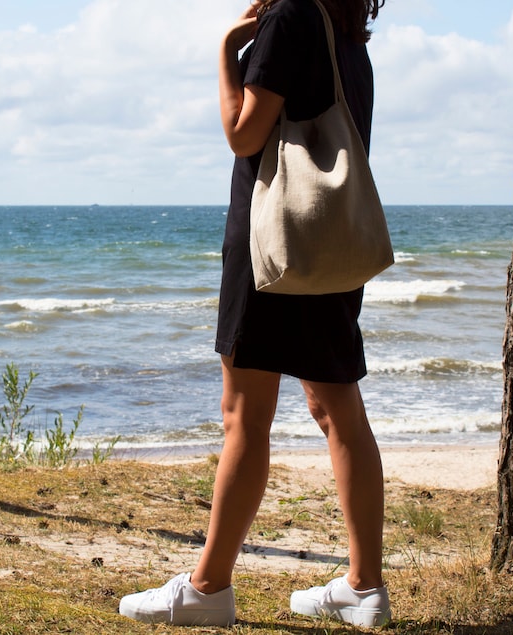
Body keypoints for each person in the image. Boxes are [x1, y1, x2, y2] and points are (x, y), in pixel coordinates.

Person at [119, 0, 389, 627]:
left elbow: (244, 132)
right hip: (329, 249)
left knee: (245, 415)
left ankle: (207, 588)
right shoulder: (349, 33)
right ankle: (363, 585)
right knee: (338, 411)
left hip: (271, 247)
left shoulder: (288, 19)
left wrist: (225, 53)